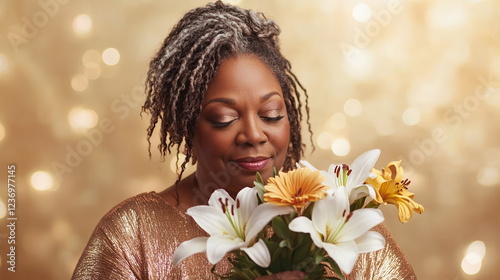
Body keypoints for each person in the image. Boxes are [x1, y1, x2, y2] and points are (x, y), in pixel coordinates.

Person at [72, 1, 416, 279]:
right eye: (224, 119)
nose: (253, 135)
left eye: (271, 115)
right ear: (187, 127)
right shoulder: (132, 236)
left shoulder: (346, 226)